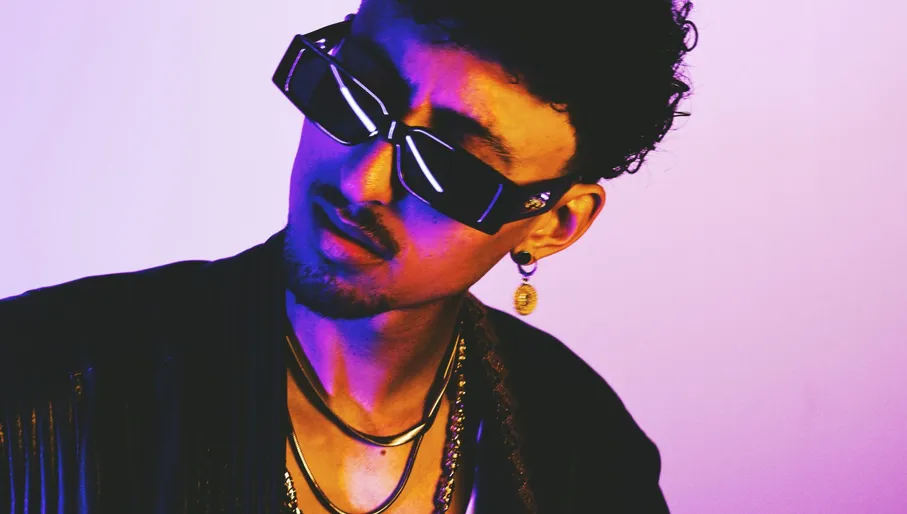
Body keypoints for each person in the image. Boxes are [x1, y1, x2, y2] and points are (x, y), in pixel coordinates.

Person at [0, 0, 697, 511]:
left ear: (552, 224)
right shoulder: (37, 382)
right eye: (355, 96)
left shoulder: (585, 445)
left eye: (451, 167)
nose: (362, 181)